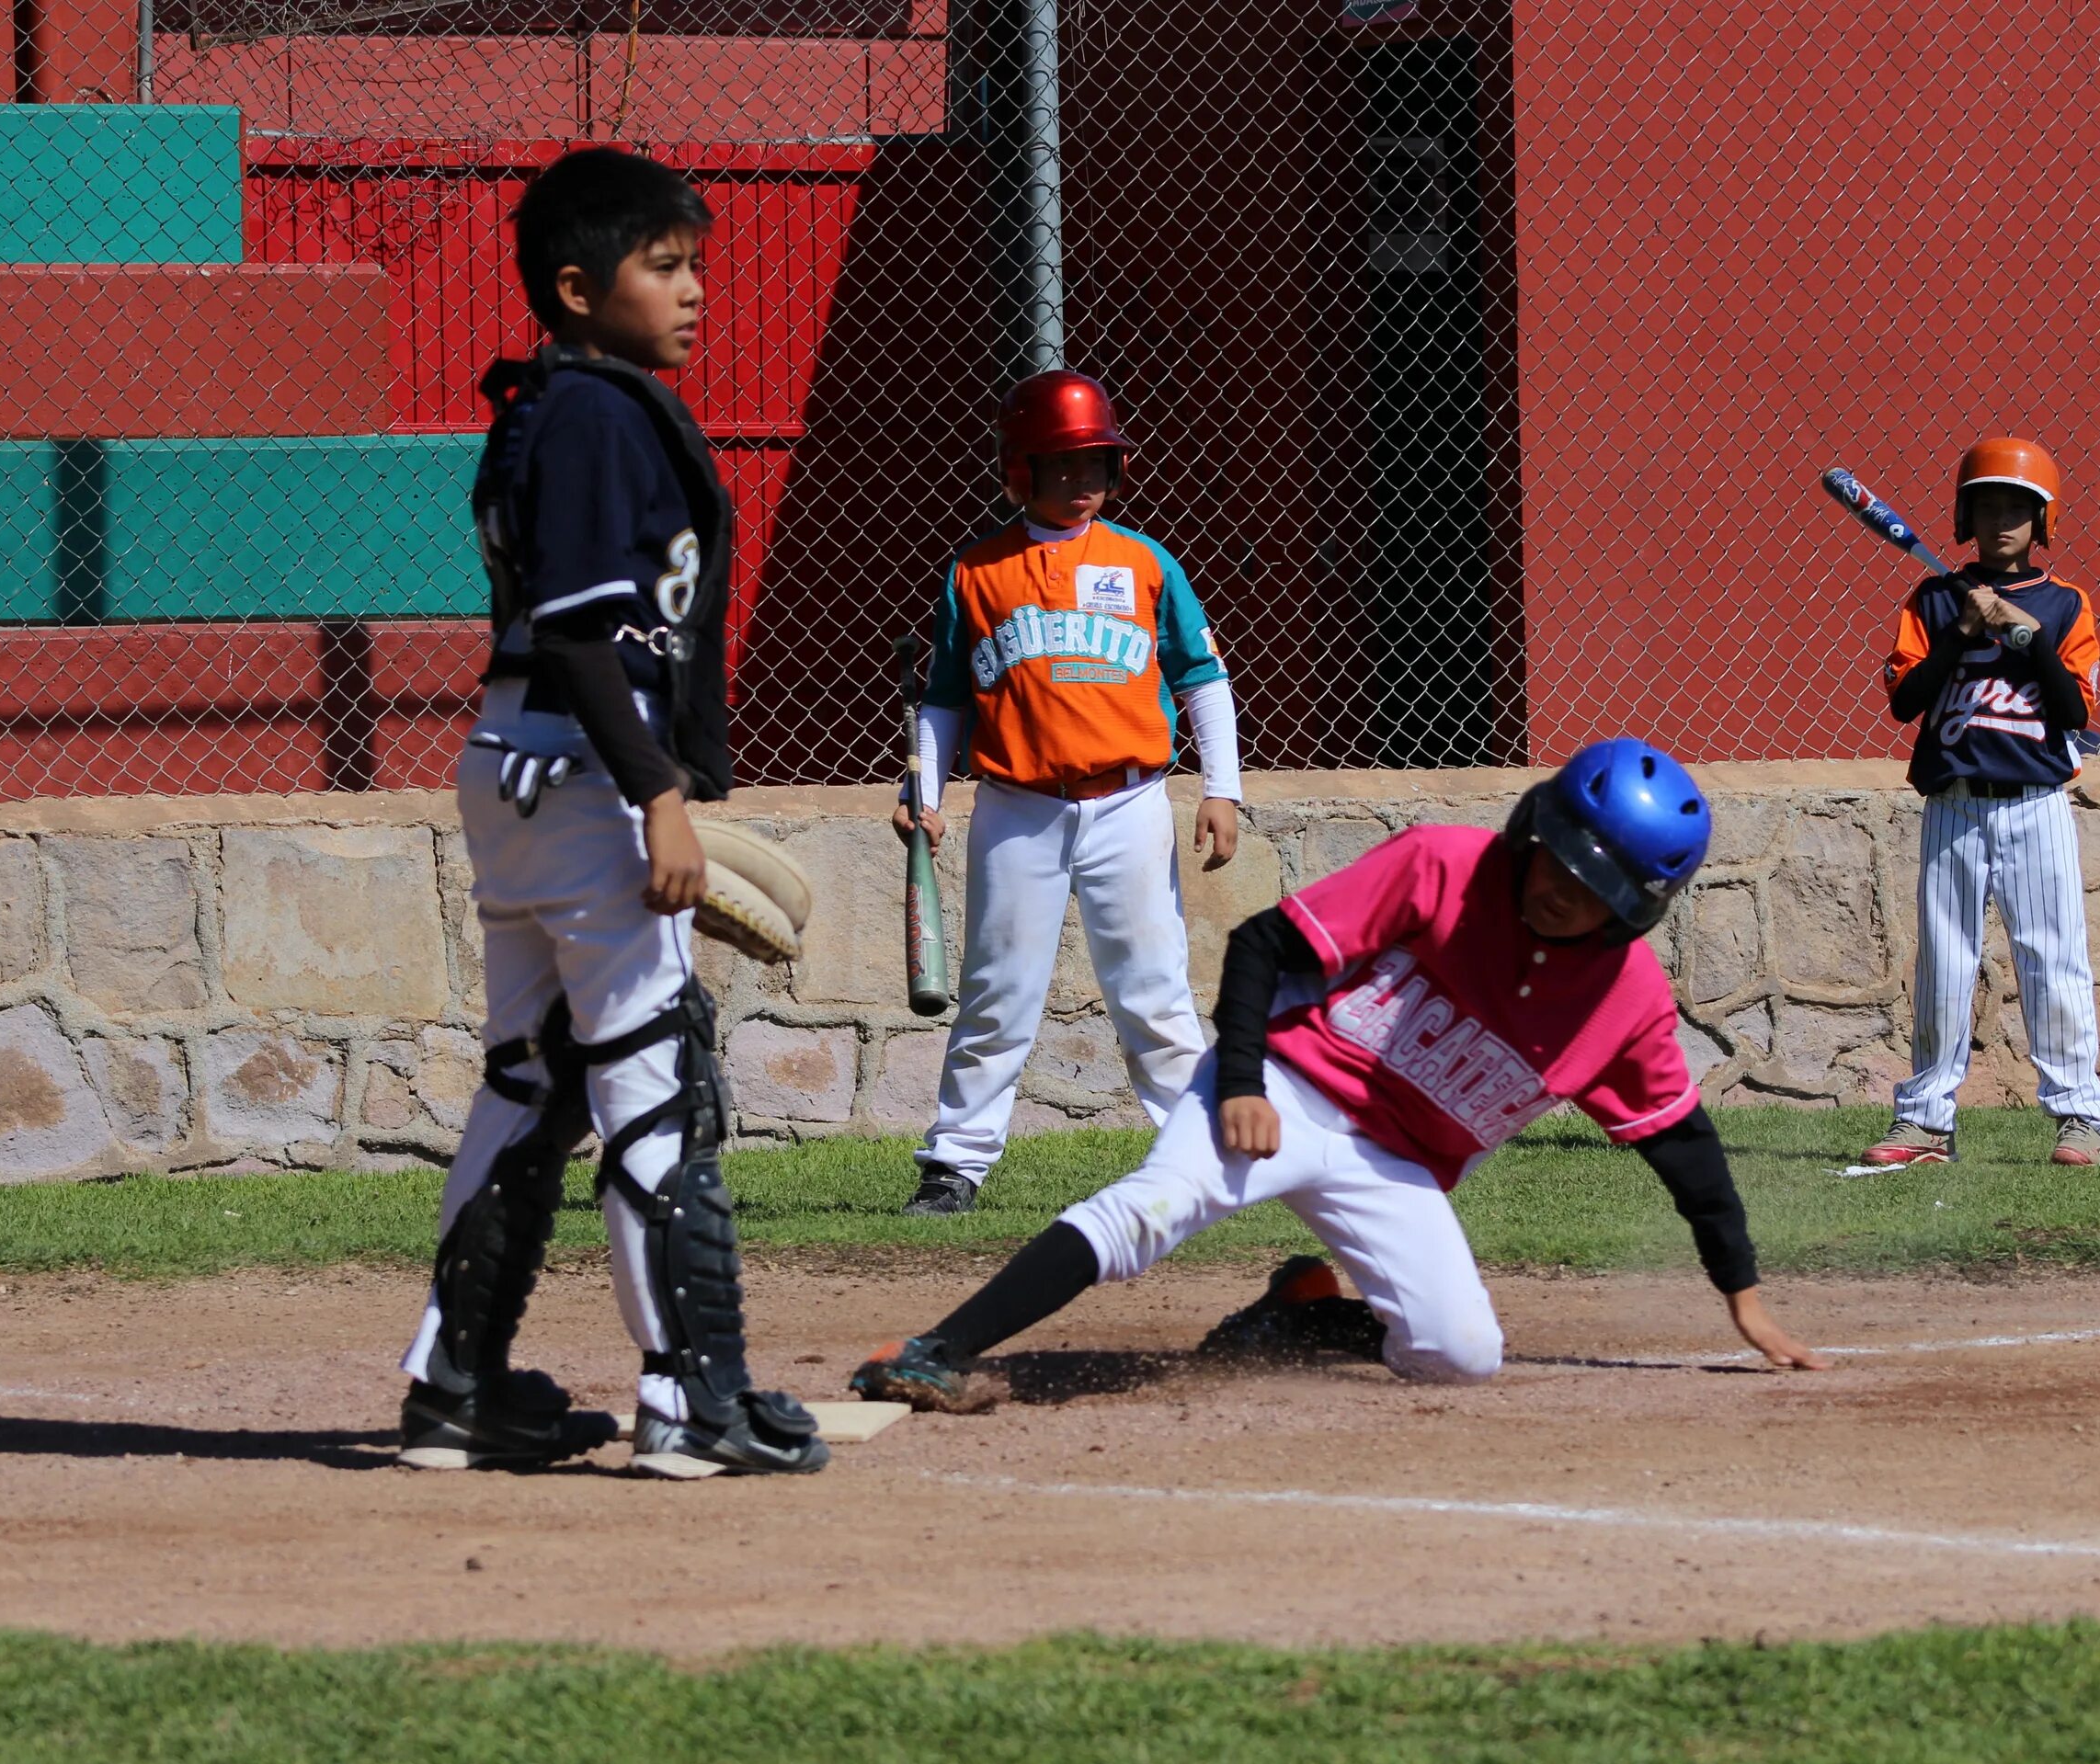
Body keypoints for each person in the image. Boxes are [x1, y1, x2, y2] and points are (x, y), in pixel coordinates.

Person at [850, 739, 1828, 1412]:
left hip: (1393, 1160)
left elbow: (1685, 1149)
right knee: (1153, 1206)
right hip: (1281, 1082)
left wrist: (1741, 1294)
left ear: (1639, 906)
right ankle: (938, 1350)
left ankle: (1307, 1309)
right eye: (1555, 861)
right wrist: (1236, 1080)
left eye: (1592, 889)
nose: (1555, 892)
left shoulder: (1627, 1002)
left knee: (1462, 1355)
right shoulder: (1444, 865)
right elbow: (1262, 945)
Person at [394, 148, 829, 1478]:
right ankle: (693, 1401)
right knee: (658, 1084)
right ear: (579, 289)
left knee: (529, 1085)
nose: (695, 290)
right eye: (664, 265)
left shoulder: (555, 404)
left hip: (520, 759)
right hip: (584, 773)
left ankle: (455, 1387)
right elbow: (587, 634)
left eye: (695, 262)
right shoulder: (589, 412)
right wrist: (660, 798)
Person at [892, 370, 1244, 1214]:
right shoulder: (977, 571)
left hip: (1130, 802)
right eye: (1065, 464)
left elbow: (1202, 677)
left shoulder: (1141, 560)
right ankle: (955, 1164)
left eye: (1099, 464)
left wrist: (1222, 789)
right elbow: (942, 695)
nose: (1086, 481)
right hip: (1017, 807)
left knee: (1153, 989)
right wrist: (927, 790)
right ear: (1022, 469)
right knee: (997, 991)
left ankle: (1195, 1161)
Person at [1863, 438, 2100, 1169]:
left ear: (2043, 521)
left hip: (2036, 802)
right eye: (1988, 505)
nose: (2002, 518)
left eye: (2018, 507)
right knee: (1945, 963)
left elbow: (2074, 713)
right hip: (1953, 802)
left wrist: (2029, 639)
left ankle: (2079, 1116)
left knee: (2052, 960)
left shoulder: (2067, 604)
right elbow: (1905, 703)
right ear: (1965, 516)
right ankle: (1925, 1122)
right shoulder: (1934, 599)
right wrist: (1966, 630)